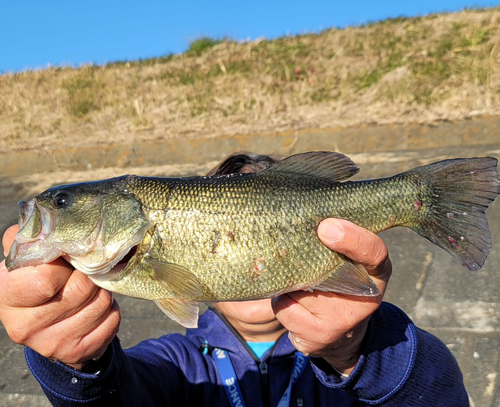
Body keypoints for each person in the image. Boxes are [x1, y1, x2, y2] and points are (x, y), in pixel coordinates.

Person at [0, 152, 468, 406]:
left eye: (61, 203)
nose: (52, 208)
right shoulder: (174, 363)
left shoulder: (351, 350)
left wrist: (358, 351)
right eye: (63, 202)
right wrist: (77, 365)